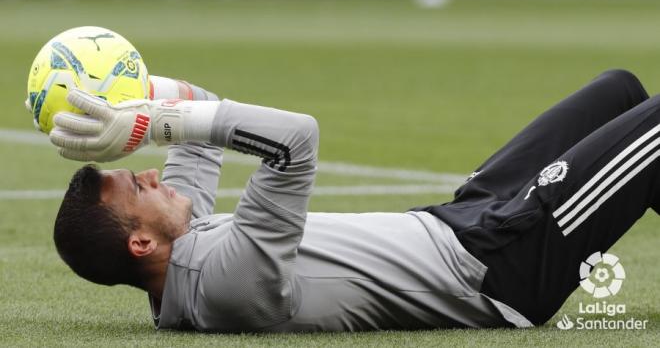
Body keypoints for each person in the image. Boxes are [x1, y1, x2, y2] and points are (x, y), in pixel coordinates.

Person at [49, 70, 658, 332]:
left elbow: (196, 105)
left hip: (462, 221)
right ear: (140, 242)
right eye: (137, 187)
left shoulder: (183, 261)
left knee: (620, 91)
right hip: (501, 265)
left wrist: (120, 91)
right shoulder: (224, 284)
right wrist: (157, 120)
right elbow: (295, 139)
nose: (151, 174)